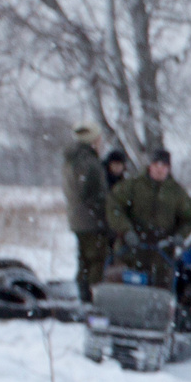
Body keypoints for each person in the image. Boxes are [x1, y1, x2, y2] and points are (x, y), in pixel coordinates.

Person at [105, 147, 191, 290]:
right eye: (156, 165)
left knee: (160, 290)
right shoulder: (132, 185)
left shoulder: (177, 192)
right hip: (130, 248)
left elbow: (189, 217)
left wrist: (180, 235)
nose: (160, 169)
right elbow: (114, 207)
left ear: (168, 168)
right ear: (150, 166)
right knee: (125, 287)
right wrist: (126, 230)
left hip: (162, 251)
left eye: (164, 166)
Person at [60, 124, 108, 295]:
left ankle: (83, 294)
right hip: (91, 220)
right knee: (96, 260)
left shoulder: (71, 159)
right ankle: (91, 297)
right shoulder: (88, 161)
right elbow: (93, 195)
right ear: (94, 140)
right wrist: (106, 214)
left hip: (78, 218)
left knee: (84, 260)